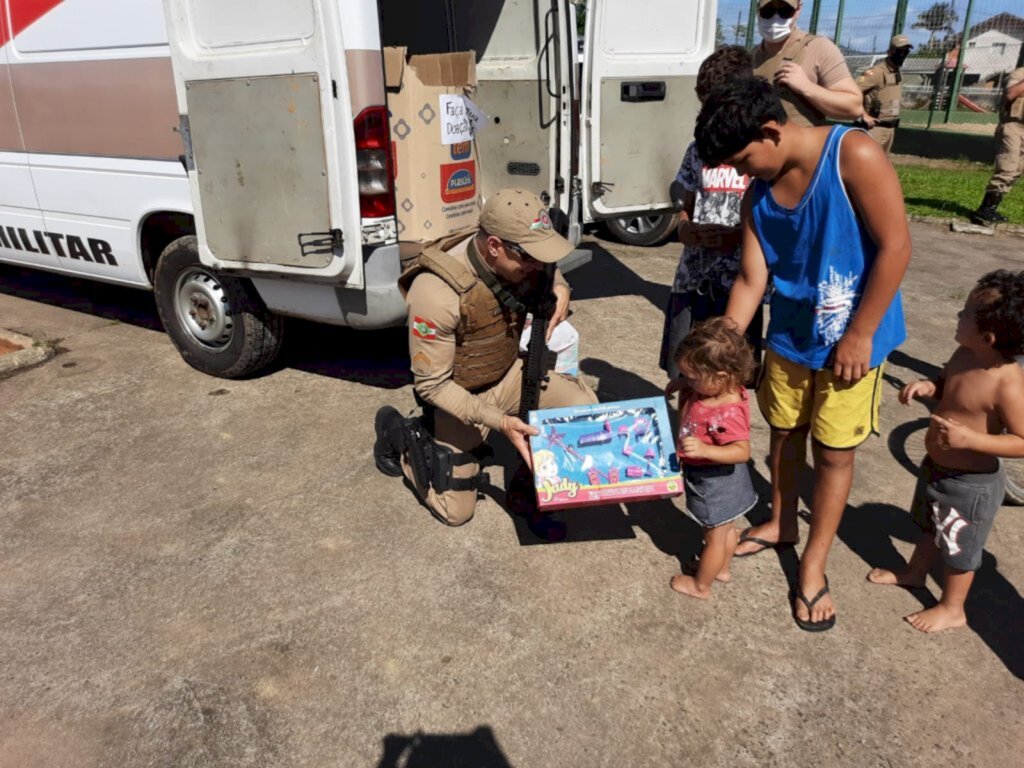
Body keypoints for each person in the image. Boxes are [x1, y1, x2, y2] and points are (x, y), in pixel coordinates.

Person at [695, 76, 911, 631]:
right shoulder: (758, 195)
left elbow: (895, 246)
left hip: (851, 342)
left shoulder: (853, 154)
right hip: (791, 338)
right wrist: (721, 351)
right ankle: (782, 522)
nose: (743, 174)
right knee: (783, 434)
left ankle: (814, 565)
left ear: (771, 131)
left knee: (835, 453)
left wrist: (861, 332)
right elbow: (750, 278)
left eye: (744, 160)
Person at [373, 188, 597, 540]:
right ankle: (401, 432)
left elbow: (546, 266)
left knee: (582, 408)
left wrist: (560, 284)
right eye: (529, 257)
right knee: (456, 512)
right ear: (494, 246)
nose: (537, 266)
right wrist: (500, 422)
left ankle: (531, 492)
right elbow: (431, 385)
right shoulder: (437, 291)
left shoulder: (522, 260)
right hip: (459, 393)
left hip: (508, 373)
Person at [868, 270, 1024, 633]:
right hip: (935, 466)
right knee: (929, 527)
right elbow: (949, 384)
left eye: (965, 313)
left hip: (972, 484)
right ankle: (915, 572)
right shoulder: (964, 353)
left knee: (959, 548)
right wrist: (929, 386)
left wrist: (974, 441)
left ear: (989, 337)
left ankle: (953, 607)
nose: (957, 317)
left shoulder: (1008, 384)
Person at [661, 45, 763, 379]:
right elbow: (686, 206)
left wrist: (735, 237)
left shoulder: (759, 153)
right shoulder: (698, 149)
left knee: (727, 376)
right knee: (685, 372)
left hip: (737, 283)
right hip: (693, 280)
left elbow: (767, 220)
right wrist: (685, 228)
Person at [669, 318, 758, 600]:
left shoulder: (728, 411)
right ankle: (721, 569)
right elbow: (696, 386)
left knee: (714, 537)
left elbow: (742, 451)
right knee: (728, 527)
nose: (689, 382)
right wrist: (684, 383)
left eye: (693, 377)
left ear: (720, 376)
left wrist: (706, 450)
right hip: (728, 484)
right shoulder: (716, 388)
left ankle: (701, 585)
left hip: (715, 483)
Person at [752, 0, 862, 127]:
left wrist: (807, 87)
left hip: (802, 145)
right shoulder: (751, 57)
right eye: (768, 11)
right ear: (758, 10)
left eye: (785, 11)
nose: (775, 18)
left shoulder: (817, 48)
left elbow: (854, 107)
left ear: (798, 10)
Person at [970, 67, 1024, 226]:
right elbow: (1010, 94)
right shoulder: (1019, 74)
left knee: (1018, 170)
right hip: (1012, 126)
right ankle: (984, 210)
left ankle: (991, 208)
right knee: (1007, 168)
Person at [855, 35, 913, 154]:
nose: (903, 54)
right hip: (875, 128)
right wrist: (863, 114)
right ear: (890, 51)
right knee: (869, 166)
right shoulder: (877, 72)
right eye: (899, 51)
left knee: (882, 167)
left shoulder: (897, 72)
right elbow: (852, 91)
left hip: (890, 129)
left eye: (906, 51)